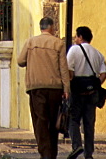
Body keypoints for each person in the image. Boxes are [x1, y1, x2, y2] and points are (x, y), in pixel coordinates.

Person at [18, 16, 70, 159]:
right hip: (55, 88)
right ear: (51, 27)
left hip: (36, 88)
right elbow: (63, 69)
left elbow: (20, 61)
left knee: (40, 121)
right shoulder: (58, 43)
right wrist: (66, 89)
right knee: (54, 122)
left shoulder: (30, 42)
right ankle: (52, 153)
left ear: (41, 27)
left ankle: (45, 153)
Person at [66, 26, 106, 159]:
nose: (75, 39)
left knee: (73, 119)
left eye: (76, 36)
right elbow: (104, 74)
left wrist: (71, 84)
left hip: (77, 92)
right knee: (89, 123)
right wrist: (95, 85)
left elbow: (69, 72)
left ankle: (77, 145)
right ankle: (89, 154)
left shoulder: (74, 50)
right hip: (92, 93)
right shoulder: (97, 53)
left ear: (80, 37)